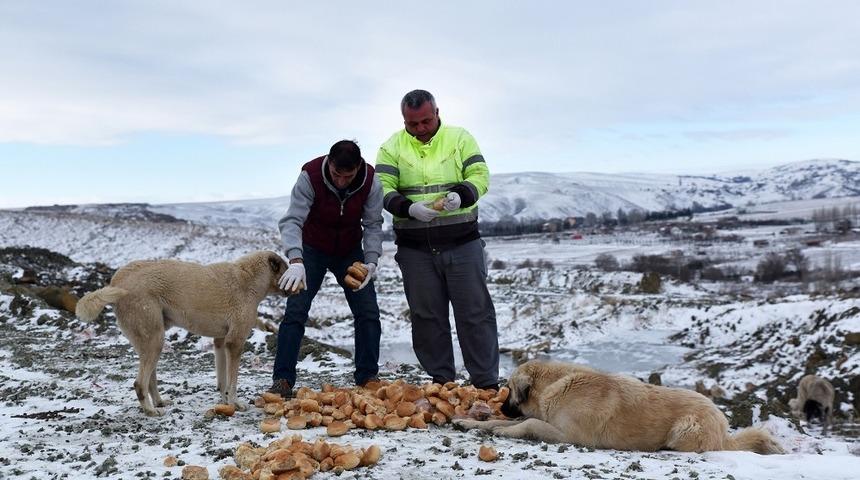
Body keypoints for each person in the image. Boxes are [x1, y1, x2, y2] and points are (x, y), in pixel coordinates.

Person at [375, 89, 499, 390]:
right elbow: (381, 187)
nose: (420, 129)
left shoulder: (460, 138)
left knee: (475, 314)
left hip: (462, 243)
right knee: (427, 317)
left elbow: (480, 175)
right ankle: (443, 382)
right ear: (404, 119)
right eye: (413, 124)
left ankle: (486, 385)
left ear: (437, 113)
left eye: (426, 122)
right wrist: (408, 208)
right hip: (415, 250)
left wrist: (462, 194)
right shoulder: (391, 147)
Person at [269, 139, 383, 398]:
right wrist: (295, 260)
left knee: (368, 311)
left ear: (358, 168)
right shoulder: (309, 176)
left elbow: (374, 224)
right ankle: (283, 380)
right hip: (312, 249)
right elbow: (292, 220)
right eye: (336, 174)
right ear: (328, 163)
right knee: (296, 310)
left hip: (350, 251)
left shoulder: (371, 181)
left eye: (348, 176)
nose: (342, 181)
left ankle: (368, 377)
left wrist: (372, 260)